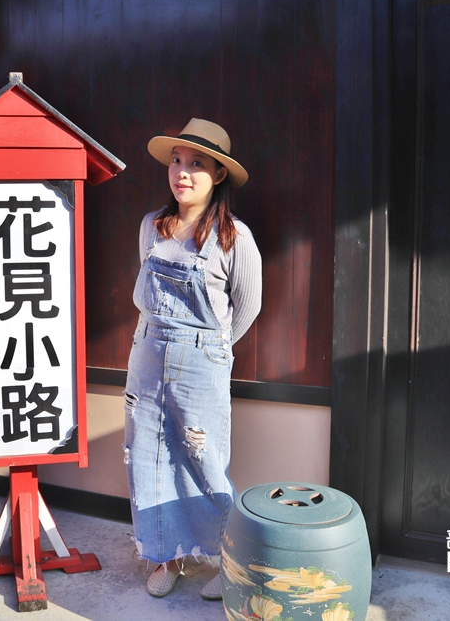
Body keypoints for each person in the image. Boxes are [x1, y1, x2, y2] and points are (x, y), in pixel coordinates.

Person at [125, 118, 262, 600]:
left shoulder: (234, 238)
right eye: (177, 161)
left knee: (205, 463)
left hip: (202, 362)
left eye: (196, 164)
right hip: (146, 355)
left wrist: (211, 350)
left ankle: (227, 562)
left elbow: (247, 307)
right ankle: (167, 557)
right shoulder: (152, 226)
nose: (182, 172)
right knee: (147, 456)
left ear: (218, 175)